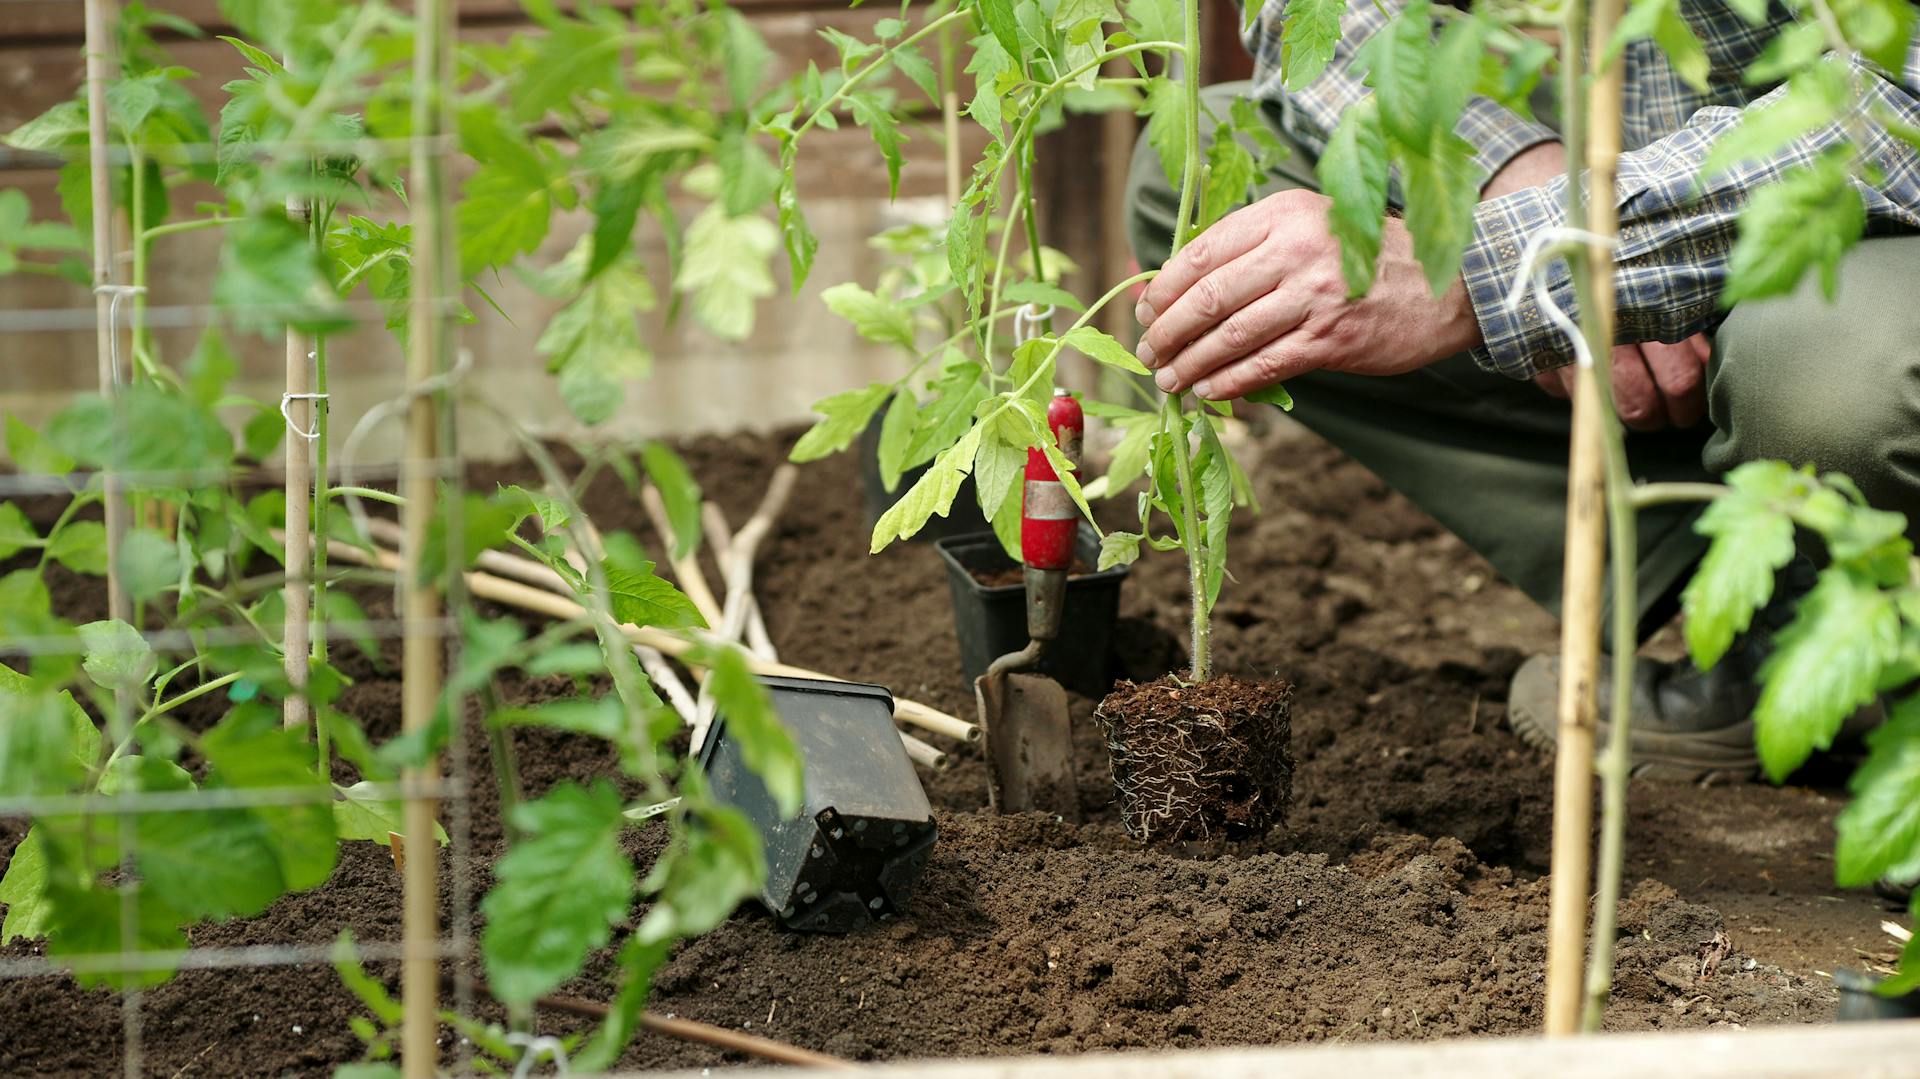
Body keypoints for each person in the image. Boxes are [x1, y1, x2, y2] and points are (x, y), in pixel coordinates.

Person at [1124, 2, 1920, 782]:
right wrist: (1514, 175)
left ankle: (1875, 632)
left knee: (1822, 377)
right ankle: (1768, 602)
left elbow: (1902, 103)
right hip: (1644, 163)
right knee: (1219, 188)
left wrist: (1533, 262)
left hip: (1870, 211)